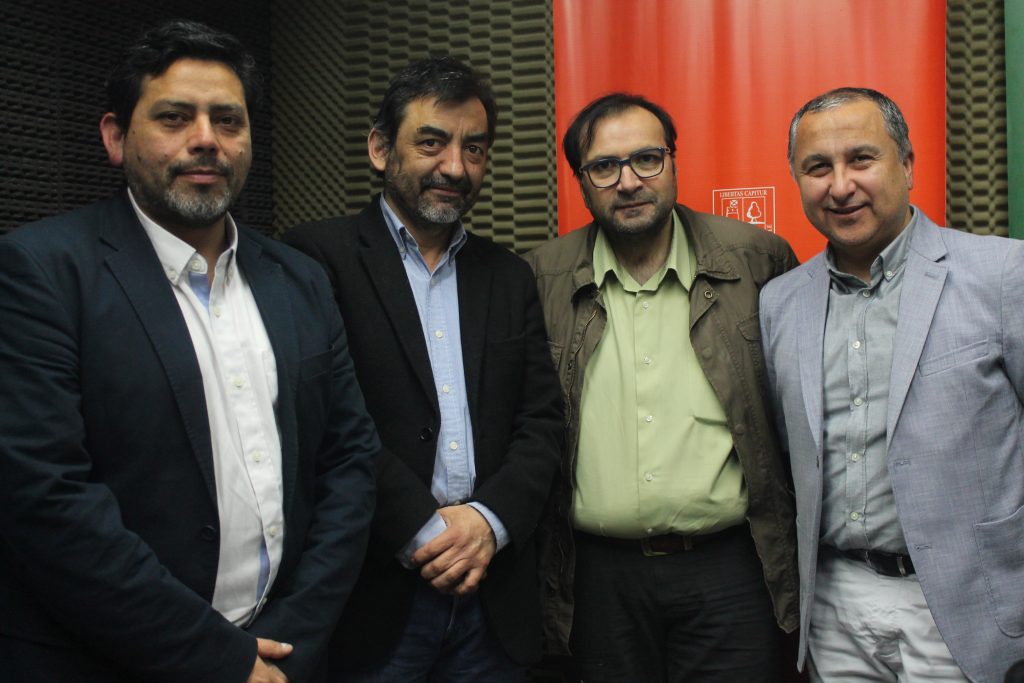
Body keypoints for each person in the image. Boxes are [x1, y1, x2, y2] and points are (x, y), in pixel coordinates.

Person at [0, 20, 379, 683]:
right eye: (175, 118)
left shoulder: (298, 277)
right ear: (115, 137)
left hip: (282, 656)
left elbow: (350, 460)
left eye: (228, 120)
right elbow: (45, 497)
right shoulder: (40, 272)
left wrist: (293, 638)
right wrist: (218, 658)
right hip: (112, 660)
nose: (206, 138)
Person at [284, 56, 562, 681]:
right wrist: (425, 530)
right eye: (432, 143)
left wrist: (488, 522)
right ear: (381, 149)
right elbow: (326, 420)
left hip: (494, 597)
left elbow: (542, 420)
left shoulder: (508, 274)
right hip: (375, 596)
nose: (455, 168)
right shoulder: (314, 259)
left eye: (474, 148)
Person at [525, 93, 800, 682]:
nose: (629, 182)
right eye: (605, 167)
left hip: (730, 570)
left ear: (674, 161)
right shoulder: (540, 278)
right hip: (596, 579)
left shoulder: (758, 261)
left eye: (647, 159)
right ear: (581, 181)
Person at [759, 87, 1024, 683]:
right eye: (818, 167)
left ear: (906, 164)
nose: (840, 185)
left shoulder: (1005, 275)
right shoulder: (779, 303)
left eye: (861, 159)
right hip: (833, 607)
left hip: (968, 602)